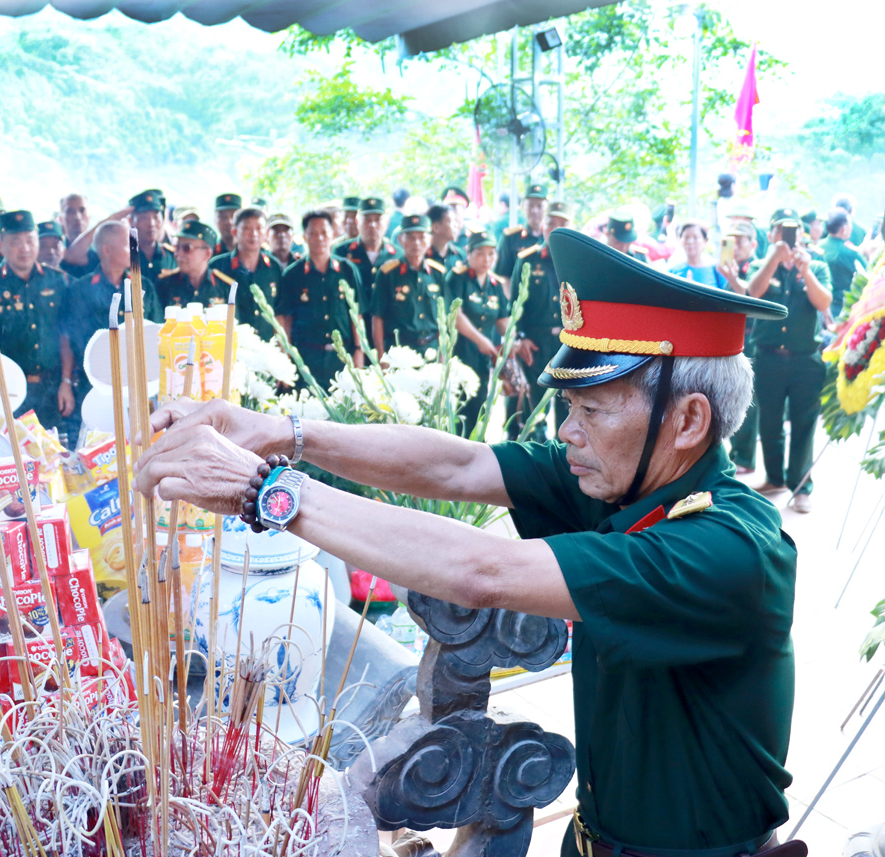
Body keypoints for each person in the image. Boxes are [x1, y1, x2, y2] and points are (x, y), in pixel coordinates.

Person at [134, 228, 797, 857]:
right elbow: (459, 465)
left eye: (591, 410)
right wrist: (278, 431)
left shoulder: (727, 548)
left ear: (687, 421)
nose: (568, 431)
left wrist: (267, 491)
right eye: (570, 408)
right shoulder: (628, 484)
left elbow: (482, 569)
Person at [747, 207, 832, 513]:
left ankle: (801, 487)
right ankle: (774, 477)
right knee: (769, 423)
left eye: (792, 231)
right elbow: (752, 293)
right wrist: (774, 258)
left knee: (804, 425)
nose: (786, 237)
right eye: (780, 231)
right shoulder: (760, 265)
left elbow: (824, 303)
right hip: (768, 358)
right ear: (770, 235)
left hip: (805, 361)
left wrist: (805, 271)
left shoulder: (817, 265)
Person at [0, 210, 71, 436]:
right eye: (15, 242)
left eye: (30, 240)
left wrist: (67, 381)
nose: (24, 248)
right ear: (1, 246)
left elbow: (66, 337)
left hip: (51, 388)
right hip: (6, 392)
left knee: (54, 459)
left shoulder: (58, 280)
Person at [59, 221, 145, 415]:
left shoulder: (141, 286)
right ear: (107, 250)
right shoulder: (79, 290)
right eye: (127, 245)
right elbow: (67, 338)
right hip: (91, 385)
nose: (134, 251)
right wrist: (65, 382)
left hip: (135, 385)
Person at [274, 210, 364, 390]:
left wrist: (359, 354)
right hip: (306, 359)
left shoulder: (347, 270)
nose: (319, 238)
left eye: (324, 232)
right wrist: (285, 362)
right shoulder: (293, 274)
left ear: (333, 233)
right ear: (304, 237)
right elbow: (285, 321)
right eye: (313, 233)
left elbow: (357, 316)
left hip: (342, 359)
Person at [507, 216, 570, 441]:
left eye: (563, 225)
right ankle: (536, 463)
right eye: (551, 224)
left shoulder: (576, 259)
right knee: (534, 408)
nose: (556, 230)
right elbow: (515, 304)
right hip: (535, 343)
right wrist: (521, 338)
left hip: (567, 343)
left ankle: (563, 463)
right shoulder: (527, 259)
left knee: (567, 405)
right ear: (542, 227)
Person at [446, 231, 506, 436]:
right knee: (458, 410)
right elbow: (456, 315)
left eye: (491, 254)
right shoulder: (457, 278)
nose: (486, 259)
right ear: (468, 253)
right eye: (480, 253)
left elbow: (503, 319)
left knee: (479, 407)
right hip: (460, 356)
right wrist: (480, 339)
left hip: (482, 360)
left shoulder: (495, 284)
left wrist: (512, 340)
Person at [370, 214, 446, 356]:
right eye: (410, 237)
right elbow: (377, 317)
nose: (416, 243)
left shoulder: (438, 273)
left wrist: (443, 354)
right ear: (400, 239)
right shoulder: (388, 273)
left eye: (421, 237)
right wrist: (381, 357)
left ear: (430, 240)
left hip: (431, 350)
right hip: (399, 351)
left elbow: (444, 318)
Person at [720, 221, 761, 474]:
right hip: (732, 341)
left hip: (752, 342)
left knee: (748, 400)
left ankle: (745, 456)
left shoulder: (756, 269)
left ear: (753, 244)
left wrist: (733, 278)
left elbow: (751, 299)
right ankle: (738, 452)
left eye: (741, 241)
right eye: (730, 241)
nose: (735, 247)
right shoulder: (730, 268)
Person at [209, 207, 281, 342]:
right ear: (235, 232)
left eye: (259, 228)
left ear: (265, 234)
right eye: (247, 228)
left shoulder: (273, 267)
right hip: (231, 346)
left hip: (267, 348)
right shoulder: (218, 266)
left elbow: (280, 313)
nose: (253, 234)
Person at [334, 197, 402, 330]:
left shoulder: (398, 254)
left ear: (386, 223)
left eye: (377, 220)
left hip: (387, 328)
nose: (372, 225)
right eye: (367, 220)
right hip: (351, 327)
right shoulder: (341, 252)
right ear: (357, 222)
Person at [157, 221, 224, 312]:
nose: (178, 254)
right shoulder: (165, 284)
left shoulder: (224, 286)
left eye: (186, 248)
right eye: (177, 247)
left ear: (207, 254)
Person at [494, 183, 546, 291]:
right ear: (523, 207)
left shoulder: (551, 239)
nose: (534, 210)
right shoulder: (510, 237)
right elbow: (503, 275)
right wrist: (513, 304)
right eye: (530, 205)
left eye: (539, 206)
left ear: (546, 208)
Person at [821, 209, 867, 315]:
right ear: (844, 228)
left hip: (818, 307)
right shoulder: (850, 253)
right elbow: (868, 275)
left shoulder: (818, 247)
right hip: (841, 310)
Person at [130, 190, 177, 292]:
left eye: (156, 217)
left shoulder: (174, 256)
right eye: (144, 218)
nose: (151, 224)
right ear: (131, 221)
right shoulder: (125, 257)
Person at [669, 220, 721, 287]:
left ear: (705, 240)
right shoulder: (673, 270)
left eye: (695, 237)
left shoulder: (717, 269)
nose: (690, 242)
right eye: (686, 237)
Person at [58, 193, 91, 277]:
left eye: (82, 210)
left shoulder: (103, 250)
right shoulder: (56, 253)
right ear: (61, 219)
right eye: (70, 211)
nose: (77, 217)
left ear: (89, 216)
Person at [426, 204, 467, 269]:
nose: (456, 225)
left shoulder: (460, 255)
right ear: (436, 227)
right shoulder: (423, 256)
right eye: (452, 221)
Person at [213, 193, 242, 258]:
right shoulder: (209, 252)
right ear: (215, 220)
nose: (229, 222)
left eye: (233, 216)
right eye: (223, 216)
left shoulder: (253, 251)